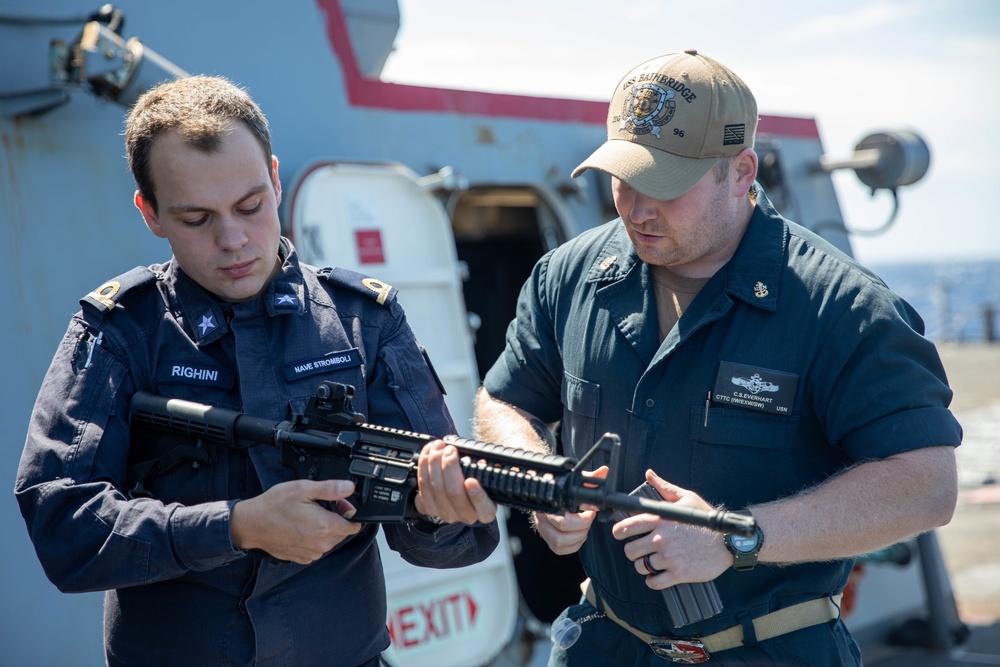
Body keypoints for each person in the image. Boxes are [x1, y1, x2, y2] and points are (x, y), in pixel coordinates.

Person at [473, 50, 961, 666]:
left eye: (666, 186)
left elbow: (926, 485)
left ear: (741, 171)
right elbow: (506, 398)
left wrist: (740, 536)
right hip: (604, 642)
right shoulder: (569, 277)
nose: (637, 208)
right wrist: (540, 480)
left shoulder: (842, 307)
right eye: (624, 179)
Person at [14, 75, 498, 667]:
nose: (234, 239)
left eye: (251, 205)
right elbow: (62, 524)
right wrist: (236, 527)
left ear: (274, 178)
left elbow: (451, 546)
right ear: (151, 213)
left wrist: (440, 513)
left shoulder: (364, 321)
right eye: (196, 219)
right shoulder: (119, 332)